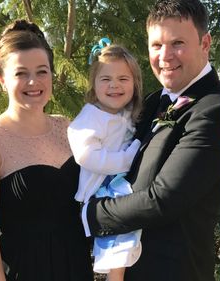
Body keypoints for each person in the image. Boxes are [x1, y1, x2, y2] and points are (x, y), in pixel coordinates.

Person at [81, 0, 220, 280]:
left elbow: (163, 200)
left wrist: (89, 214)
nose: (165, 56)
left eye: (177, 43)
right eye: (157, 45)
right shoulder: (151, 102)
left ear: (205, 43)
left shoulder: (213, 109)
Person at [0, 19, 93, 281]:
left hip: (76, 267)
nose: (33, 82)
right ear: (1, 79)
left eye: (42, 71)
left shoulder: (68, 127)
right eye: (20, 73)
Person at [68, 44, 143, 281]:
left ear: (135, 83)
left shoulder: (128, 112)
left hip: (118, 182)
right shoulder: (91, 116)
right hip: (101, 188)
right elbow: (85, 155)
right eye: (106, 79)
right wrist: (126, 160)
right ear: (94, 84)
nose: (114, 85)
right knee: (117, 250)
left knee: (124, 247)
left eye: (123, 78)